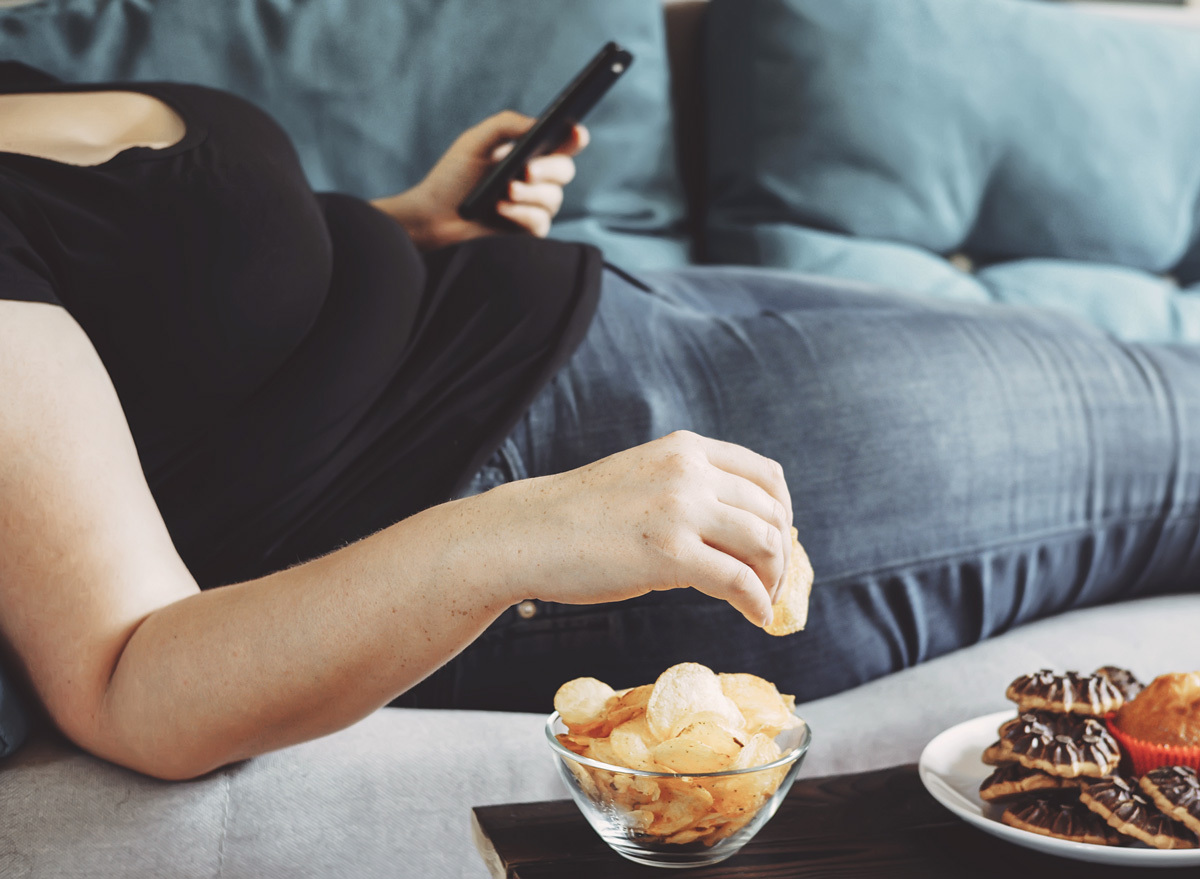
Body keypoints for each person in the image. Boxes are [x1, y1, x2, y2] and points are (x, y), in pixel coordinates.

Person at [0, 61, 1196, 781]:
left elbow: (153, 321)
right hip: (552, 455)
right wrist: (523, 533)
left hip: (593, 310)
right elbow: (124, 683)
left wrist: (406, 222)